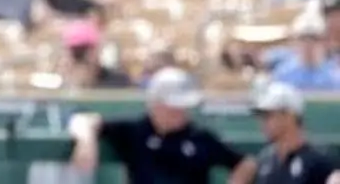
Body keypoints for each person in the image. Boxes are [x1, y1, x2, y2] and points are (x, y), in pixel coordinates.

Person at [67, 66, 249, 184]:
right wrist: (86, 141)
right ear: (155, 103)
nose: (179, 112)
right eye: (172, 106)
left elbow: (245, 163)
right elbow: (84, 120)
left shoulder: (200, 137)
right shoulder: (136, 132)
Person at [230, 82, 340, 184]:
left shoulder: (319, 162)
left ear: (289, 116)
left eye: (268, 116)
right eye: (261, 117)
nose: (263, 123)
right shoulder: (266, 161)